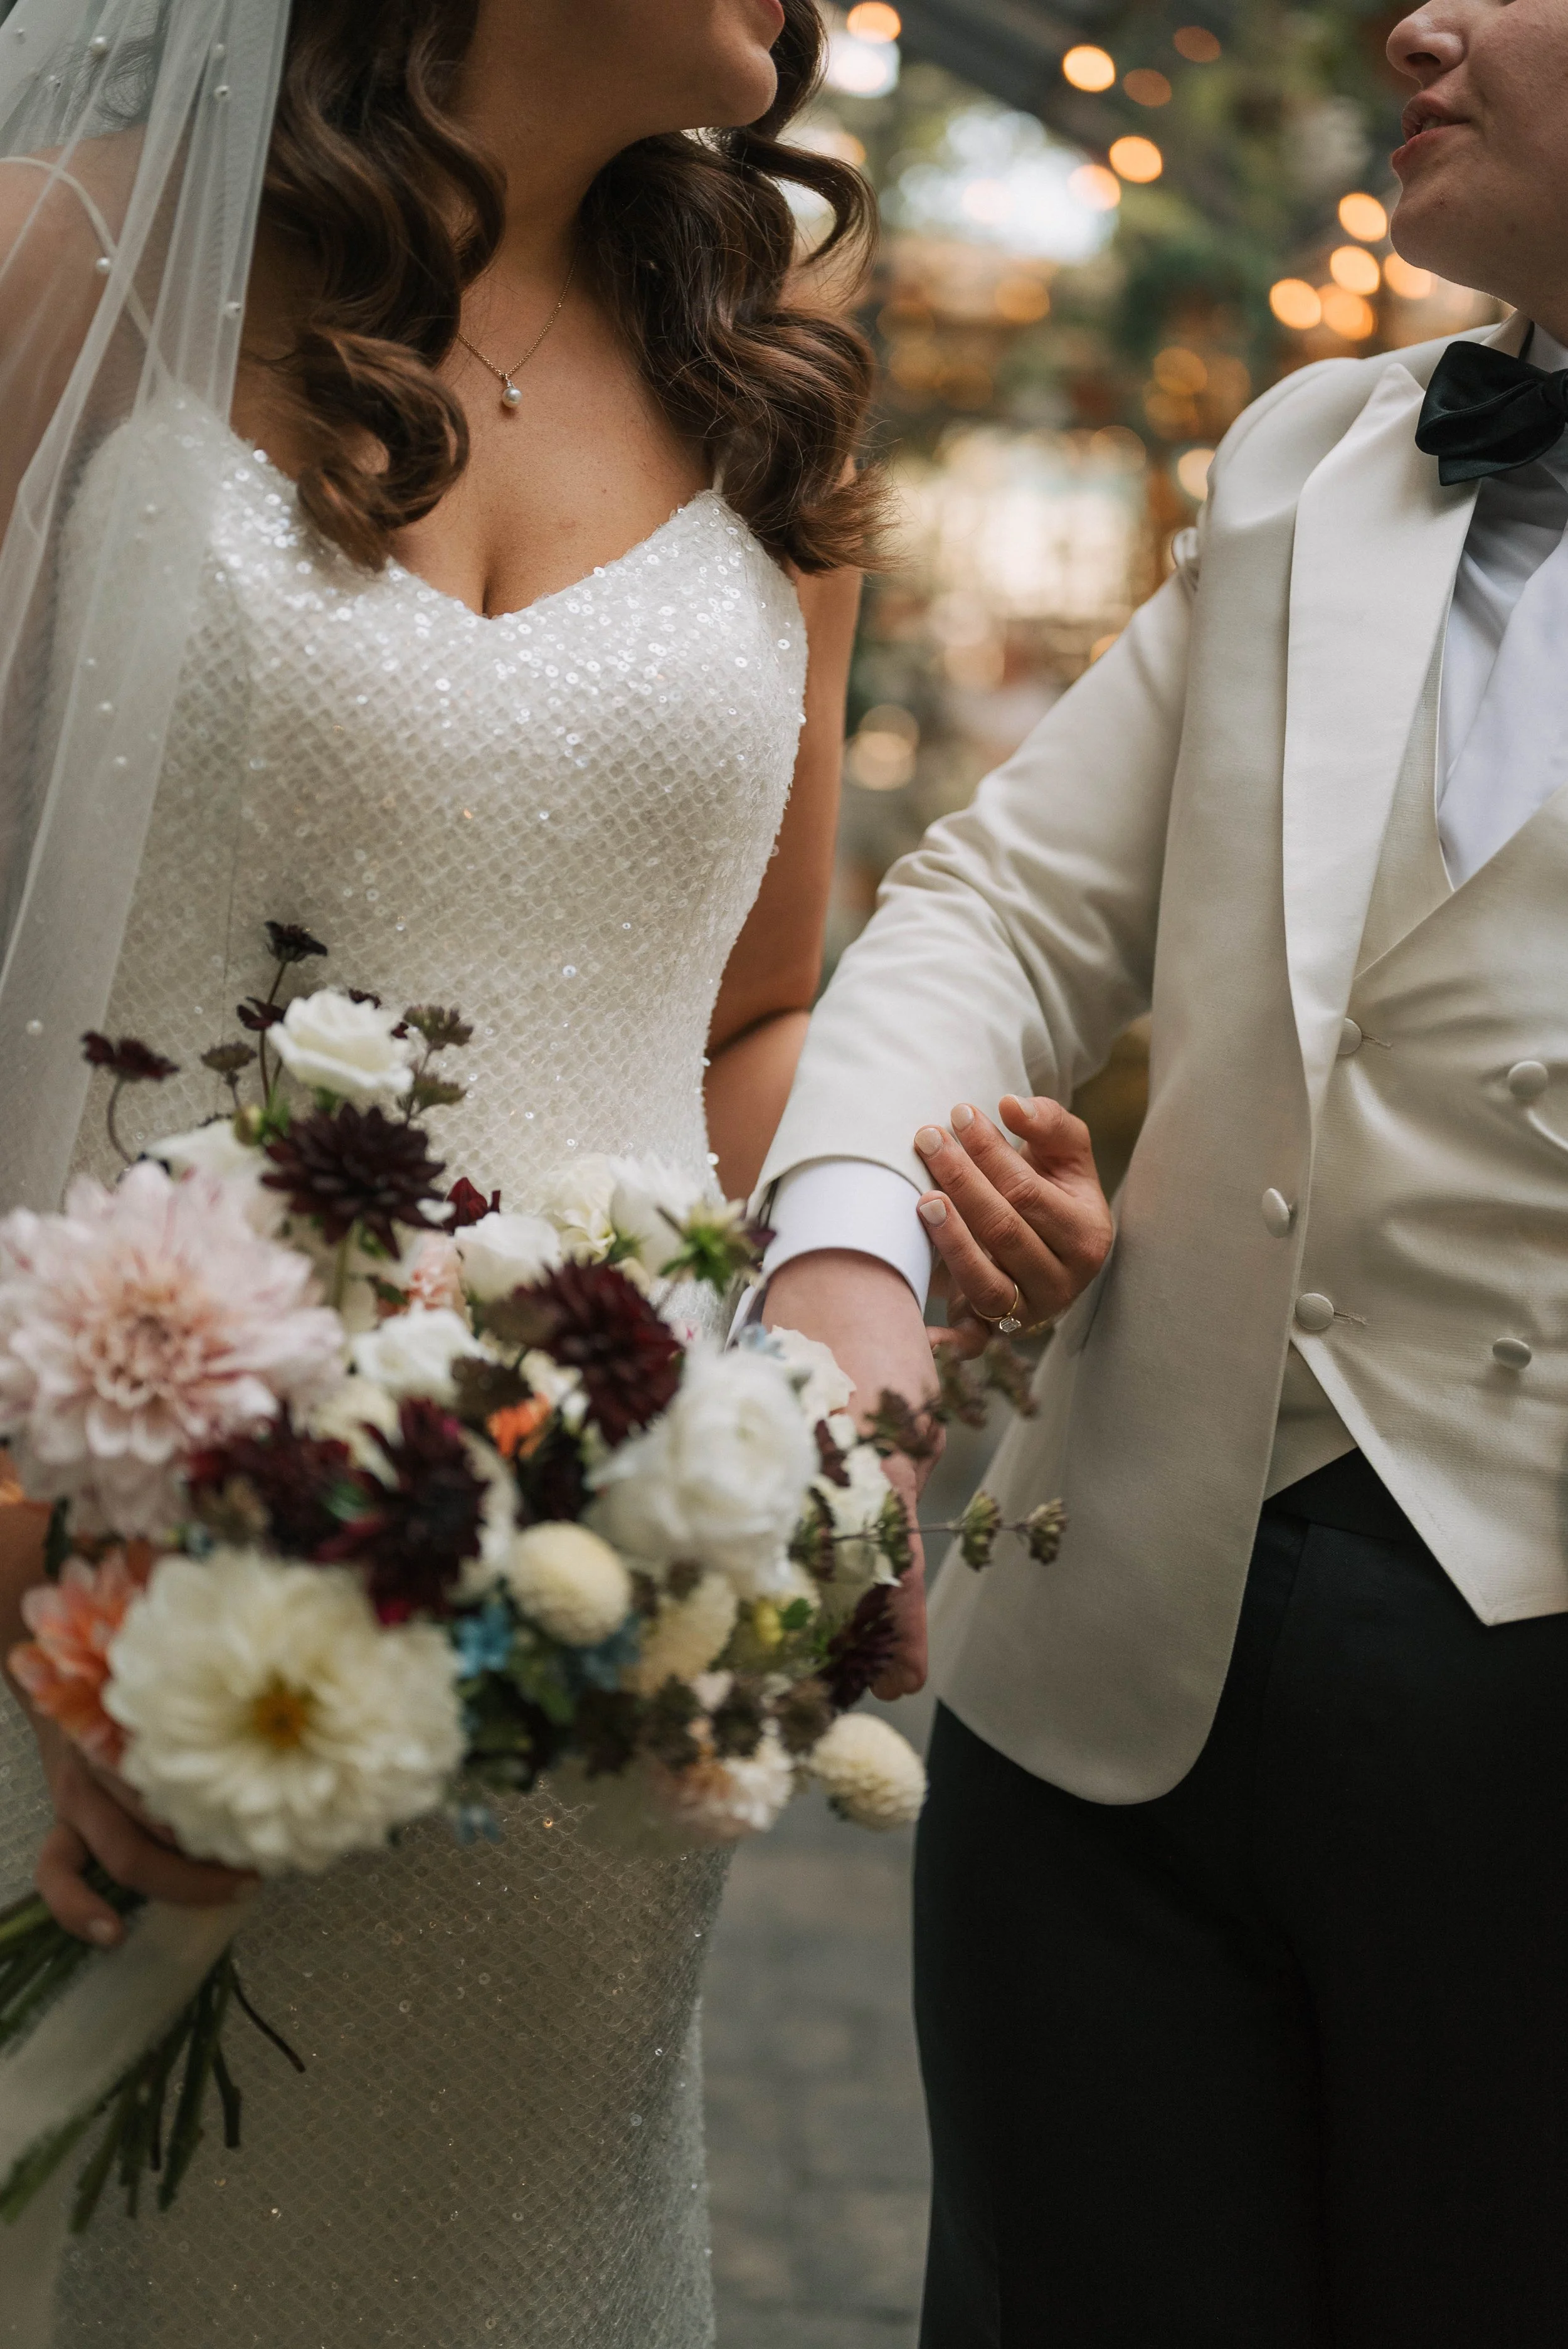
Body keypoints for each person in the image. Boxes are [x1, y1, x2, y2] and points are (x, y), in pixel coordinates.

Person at [0, 3, 871, 2342]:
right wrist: (27, 1560)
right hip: (73, 1567)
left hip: (570, 1661)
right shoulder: (78, 255)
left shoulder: (766, 366)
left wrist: (782, 1441)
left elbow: (757, 1017)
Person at [761, 1, 1568, 2340]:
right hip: (1104, 1718)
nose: (1413, 16)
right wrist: (852, 1250)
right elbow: (1001, 910)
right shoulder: (1327, 454)